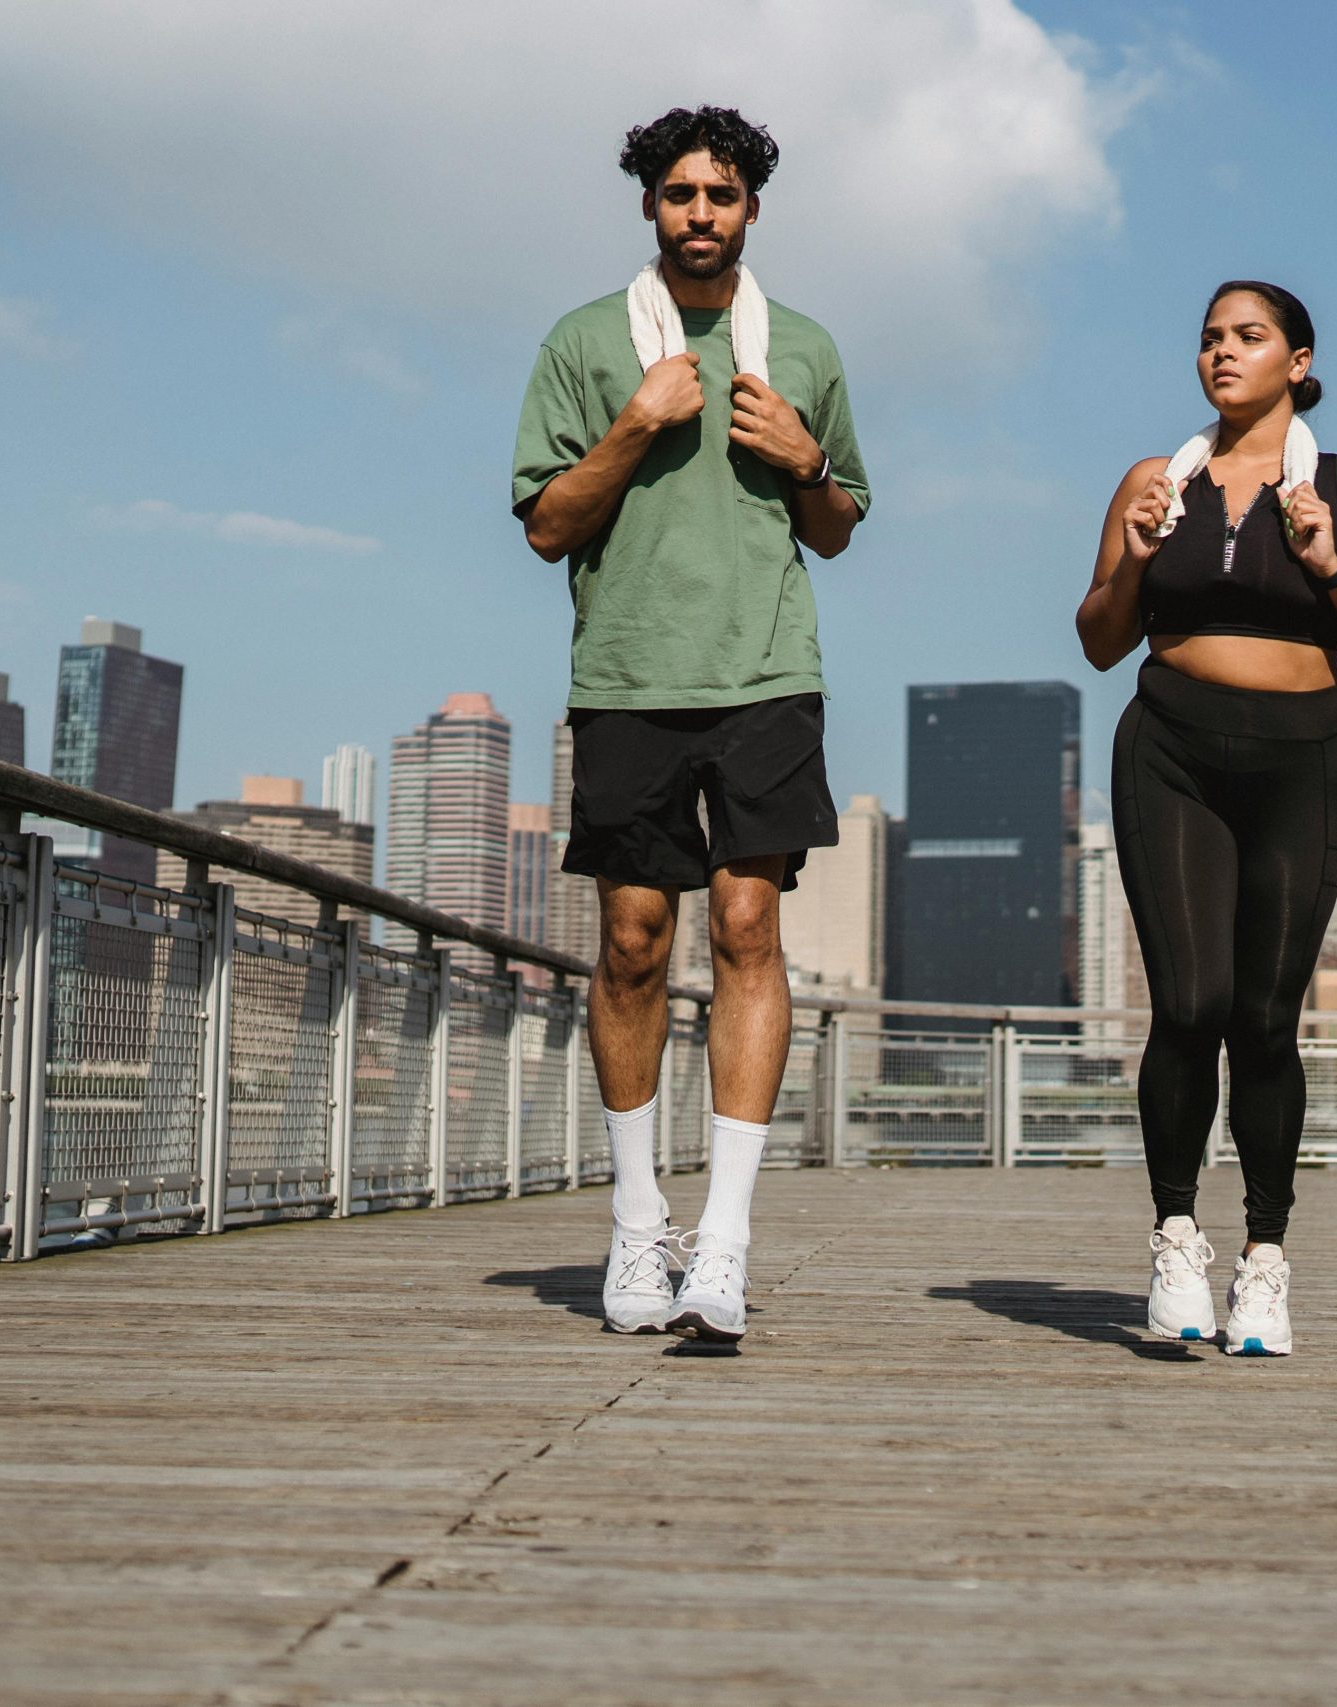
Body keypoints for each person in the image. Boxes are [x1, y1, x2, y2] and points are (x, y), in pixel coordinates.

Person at [511, 106, 871, 1343]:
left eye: (721, 194)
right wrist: (638, 423)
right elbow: (549, 525)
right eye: (678, 195)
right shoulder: (584, 343)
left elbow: (835, 524)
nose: (700, 213)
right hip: (627, 677)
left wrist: (807, 462)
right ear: (649, 208)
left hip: (769, 672)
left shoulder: (804, 347)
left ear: (752, 209)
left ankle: (722, 1240)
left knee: (748, 924)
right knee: (628, 941)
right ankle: (634, 1227)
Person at [1074, 281, 1337, 1355]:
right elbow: (1097, 639)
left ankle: (1265, 1261)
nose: (1221, 355)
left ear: (1299, 360)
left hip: (1301, 760)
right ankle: (1176, 1237)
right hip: (1170, 747)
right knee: (1189, 1003)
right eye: (1208, 340)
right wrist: (1137, 555)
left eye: (1247, 338)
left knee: (1266, 1021)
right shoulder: (1154, 480)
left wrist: (1330, 564)